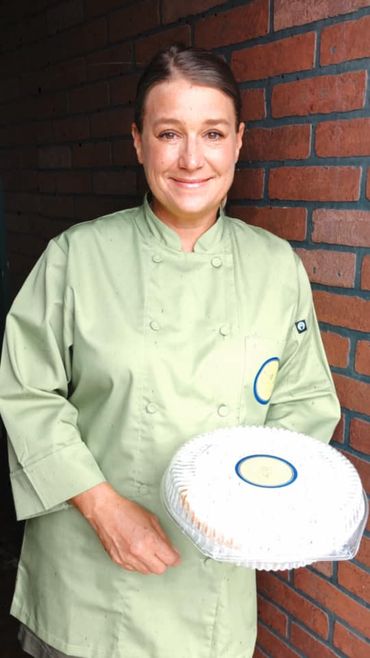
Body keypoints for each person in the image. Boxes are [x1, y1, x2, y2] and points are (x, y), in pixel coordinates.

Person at [0, 45, 340, 658]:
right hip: (88, 584)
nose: (191, 158)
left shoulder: (276, 267)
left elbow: (303, 404)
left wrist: (265, 509)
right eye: (168, 133)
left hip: (210, 589)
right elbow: (26, 392)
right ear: (138, 143)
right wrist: (104, 509)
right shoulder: (77, 256)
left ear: (238, 141)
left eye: (211, 133)